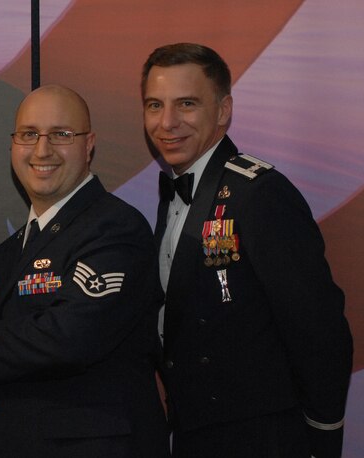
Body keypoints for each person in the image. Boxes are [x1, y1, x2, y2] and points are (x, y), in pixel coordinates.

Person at [0, 85, 169, 457]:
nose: (42, 150)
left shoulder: (115, 228)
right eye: (29, 134)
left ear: (89, 144)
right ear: (13, 145)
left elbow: (72, 337)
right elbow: (2, 372)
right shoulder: (6, 255)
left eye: (61, 134)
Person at [142, 42, 352, 458]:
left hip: (263, 439)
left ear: (222, 111)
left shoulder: (260, 195)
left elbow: (319, 330)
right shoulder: (174, 193)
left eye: (186, 104)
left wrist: (321, 437)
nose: (167, 122)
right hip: (196, 434)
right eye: (153, 105)